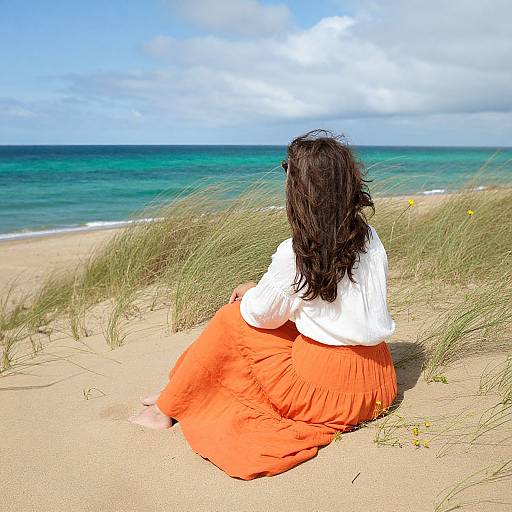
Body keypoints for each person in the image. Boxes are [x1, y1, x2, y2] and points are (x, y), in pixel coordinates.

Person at [128, 129, 398, 480]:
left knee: (231, 318)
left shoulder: (296, 252)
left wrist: (251, 291)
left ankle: (166, 408)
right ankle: (178, 392)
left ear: (301, 190)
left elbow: (259, 316)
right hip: (378, 385)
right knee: (275, 321)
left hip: (330, 394)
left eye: (288, 172)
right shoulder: (367, 236)